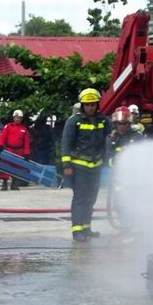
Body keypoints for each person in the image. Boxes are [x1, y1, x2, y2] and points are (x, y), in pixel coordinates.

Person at [61, 88, 111, 242]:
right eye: (87, 105)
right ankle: (77, 231)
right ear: (82, 105)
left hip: (95, 167)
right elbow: (66, 144)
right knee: (80, 198)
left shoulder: (102, 121)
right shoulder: (74, 121)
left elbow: (111, 135)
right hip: (78, 167)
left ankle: (86, 228)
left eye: (92, 104)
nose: (90, 107)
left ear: (97, 105)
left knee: (91, 198)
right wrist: (67, 165)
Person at [0, 109, 31, 191]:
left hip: (19, 151)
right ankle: (4, 184)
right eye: (16, 117)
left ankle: (14, 184)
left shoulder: (24, 129)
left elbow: (26, 142)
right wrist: (0, 145)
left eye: (19, 118)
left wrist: (27, 153)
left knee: (17, 167)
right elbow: (3, 136)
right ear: (13, 118)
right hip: (8, 149)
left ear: (21, 119)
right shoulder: (8, 126)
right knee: (5, 166)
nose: (17, 119)